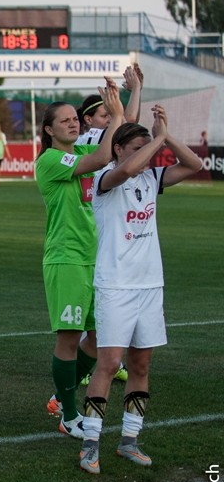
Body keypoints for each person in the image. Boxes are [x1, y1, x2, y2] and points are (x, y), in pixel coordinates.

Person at [79, 106, 203, 474]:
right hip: (116, 285)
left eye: (148, 149)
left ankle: (129, 441)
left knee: (141, 364)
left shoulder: (152, 178)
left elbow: (194, 164)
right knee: (108, 364)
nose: (146, 156)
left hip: (150, 284)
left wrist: (165, 135)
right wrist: (157, 139)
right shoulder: (104, 178)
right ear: (117, 149)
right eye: (137, 148)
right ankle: (90, 444)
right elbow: (127, 170)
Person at [34, 77, 124, 440]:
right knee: (69, 337)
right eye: (65, 120)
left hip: (91, 257)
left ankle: (61, 395)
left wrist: (123, 105)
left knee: (99, 336)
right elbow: (103, 156)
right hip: (66, 258)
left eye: (75, 118)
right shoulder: (50, 160)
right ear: (49, 130)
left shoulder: (79, 151)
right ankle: (69, 416)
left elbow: (113, 146)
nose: (73, 123)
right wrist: (116, 114)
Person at [70, 65, 145, 389]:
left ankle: (104, 361)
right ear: (88, 120)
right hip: (91, 227)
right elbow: (127, 127)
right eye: (104, 115)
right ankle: (87, 368)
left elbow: (126, 127)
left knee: (102, 308)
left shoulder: (97, 137)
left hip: (99, 224)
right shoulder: (92, 139)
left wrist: (131, 94)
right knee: (99, 306)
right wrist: (134, 92)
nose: (110, 118)